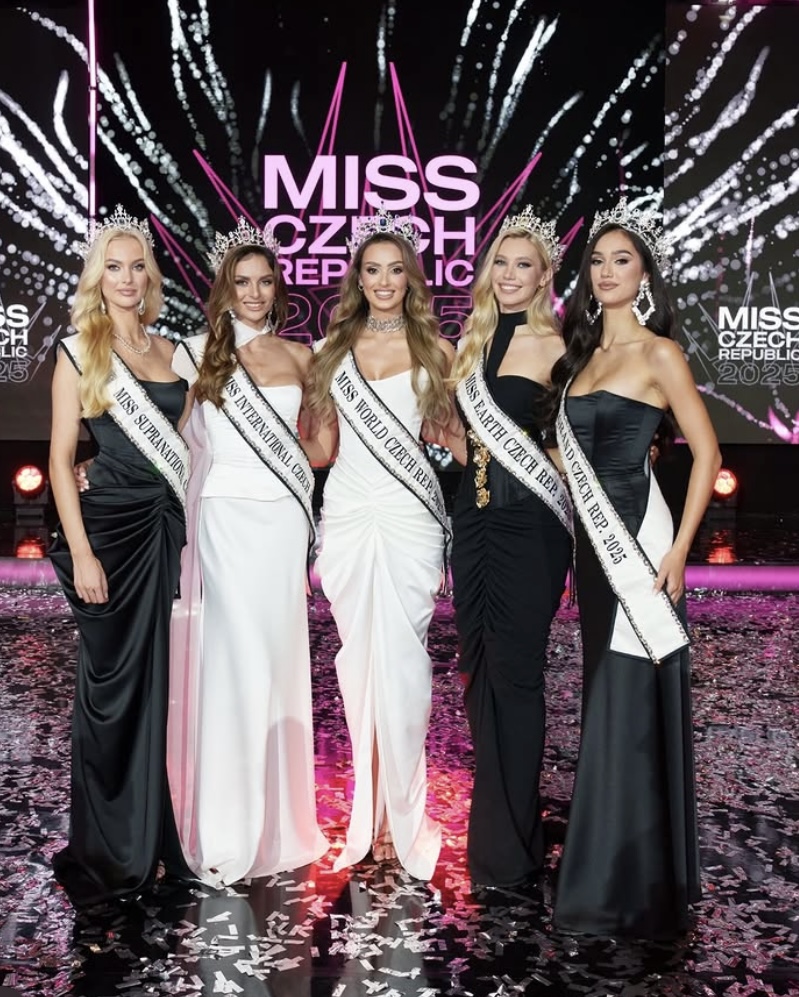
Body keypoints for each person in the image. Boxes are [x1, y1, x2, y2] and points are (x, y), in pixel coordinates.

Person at [546, 197, 721, 939]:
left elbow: (707, 453)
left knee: (629, 697)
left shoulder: (659, 354)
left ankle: (625, 880)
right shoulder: (579, 358)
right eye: (597, 261)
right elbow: (569, 458)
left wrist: (679, 551)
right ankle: (618, 867)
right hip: (593, 550)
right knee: (602, 692)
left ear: (644, 273)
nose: (607, 271)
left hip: (641, 545)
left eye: (622, 260)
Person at [166, 219, 328, 886]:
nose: (254, 293)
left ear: (277, 289)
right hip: (223, 517)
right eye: (242, 282)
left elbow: (321, 447)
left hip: (280, 519)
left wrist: (280, 466)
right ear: (225, 288)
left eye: (264, 282)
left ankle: (277, 825)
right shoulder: (195, 355)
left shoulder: (301, 357)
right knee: (233, 661)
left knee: (276, 657)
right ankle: (226, 827)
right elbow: (172, 438)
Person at [48, 205, 191, 907]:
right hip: (109, 535)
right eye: (114, 267)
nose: (127, 278)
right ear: (97, 277)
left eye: (137, 266)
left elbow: (193, 440)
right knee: (110, 690)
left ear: (149, 276)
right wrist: (80, 552)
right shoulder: (79, 350)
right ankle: (107, 844)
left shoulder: (173, 351)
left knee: (158, 685)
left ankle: (152, 835)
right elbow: (59, 458)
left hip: (164, 528)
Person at [305, 211, 455, 880]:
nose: (385, 281)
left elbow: (452, 437)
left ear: (410, 278)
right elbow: (321, 448)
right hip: (348, 514)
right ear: (358, 279)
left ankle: (402, 813)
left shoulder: (437, 350)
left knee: (403, 666)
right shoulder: (328, 350)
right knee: (358, 665)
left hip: (408, 517)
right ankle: (366, 814)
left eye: (396, 270)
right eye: (373, 270)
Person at [445, 208, 574, 890]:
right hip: (473, 524)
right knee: (479, 674)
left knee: (517, 678)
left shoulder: (559, 346)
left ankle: (513, 842)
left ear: (545, 275)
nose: (510, 274)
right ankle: (498, 827)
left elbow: (567, 447)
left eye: (524, 264)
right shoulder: (472, 341)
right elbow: (469, 446)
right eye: (501, 262)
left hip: (531, 528)